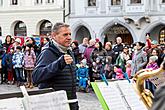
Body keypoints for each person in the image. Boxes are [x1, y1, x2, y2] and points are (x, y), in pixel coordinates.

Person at [32, 22, 79, 110]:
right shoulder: (47, 52)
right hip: (54, 104)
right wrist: (59, 63)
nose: (69, 37)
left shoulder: (68, 51)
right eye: (65, 35)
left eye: (69, 34)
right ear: (54, 35)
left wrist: (74, 105)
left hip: (69, 103)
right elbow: (36, 76)